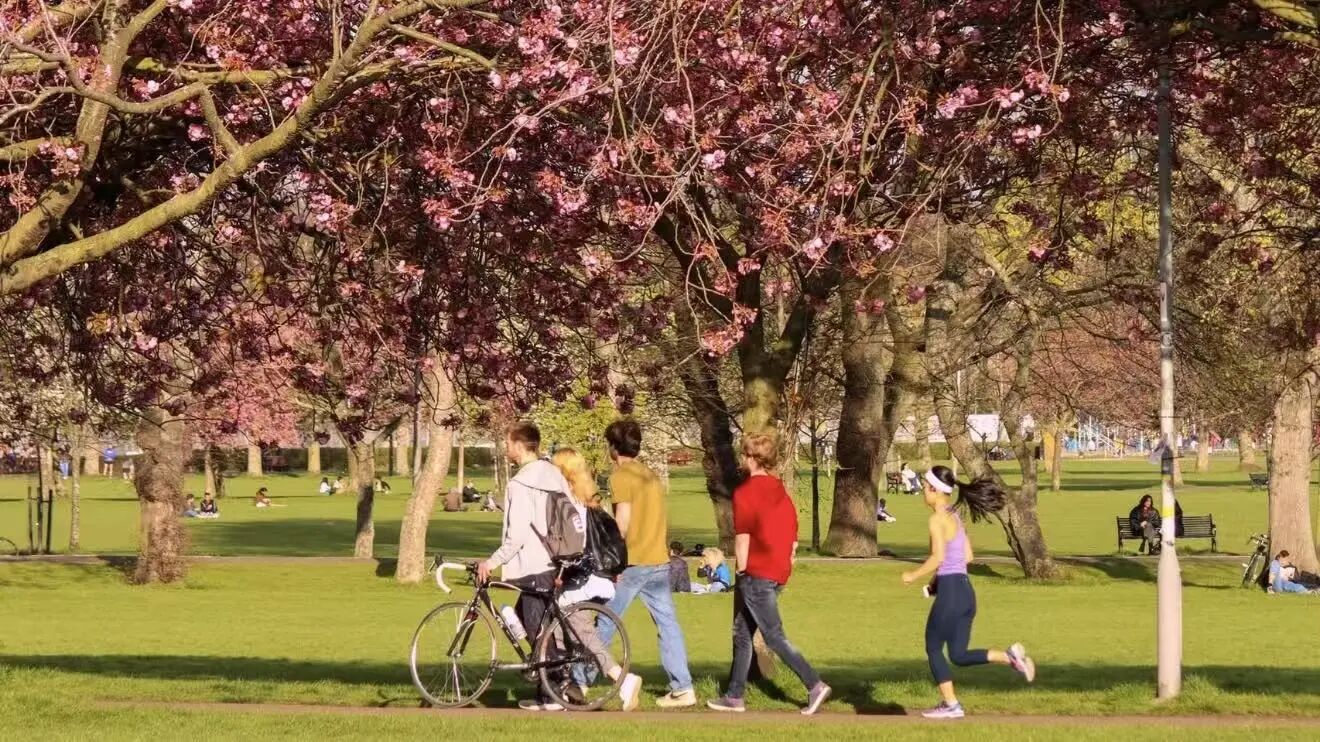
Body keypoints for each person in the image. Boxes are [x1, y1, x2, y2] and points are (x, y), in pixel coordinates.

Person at [708, 433, 831, 715]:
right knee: (742, 632)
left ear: (752, 457)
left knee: (773, 636)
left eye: (743, 454)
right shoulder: (779, 489)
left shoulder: (745, 492)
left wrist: (740, 571)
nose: (741, 459)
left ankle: (814, 684)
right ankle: (735, 696)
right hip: (778, 571)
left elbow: (743, 538)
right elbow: (793, 534)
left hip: (755, 572)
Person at [901, 465, 1035, 719]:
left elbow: (938, 557)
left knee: (932, 648)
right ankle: (1010, 658)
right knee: (959, 655)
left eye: (924, 487)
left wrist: (913, 575)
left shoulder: (937, 519)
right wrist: (934, 586)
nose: (922, 493)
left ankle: (951, 705)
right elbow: (967, 556)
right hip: (965, 592)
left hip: (951, 593)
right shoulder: (955, 515)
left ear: (934, 490)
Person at [595, 419, 696, 708]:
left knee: (605, 621)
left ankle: (576, 680)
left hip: (633, 563)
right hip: (659, 560)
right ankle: (683, 687)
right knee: (668, 625)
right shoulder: (650, 476)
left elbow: (623, 526)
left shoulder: (621, 476)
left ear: (613, 447)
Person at [476, 422, 570, 712]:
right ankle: (545, 684)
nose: (506, 448)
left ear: (519, 445)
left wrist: (491, 561)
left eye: (508, 443)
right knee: (524, 618)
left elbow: (515, 535)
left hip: (533, 562)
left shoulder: (521, 483)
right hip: (554, 557)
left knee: (535, 626)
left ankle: (555, 691)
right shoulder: (554, 474)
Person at [551, 447, 643, 711]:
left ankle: (621, 679)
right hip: (599, 577)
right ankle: (566, 687)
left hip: (582, 579)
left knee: (581, 631)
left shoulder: (568, 501)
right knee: (565, 630)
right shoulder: (590, 500)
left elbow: (572, 545)